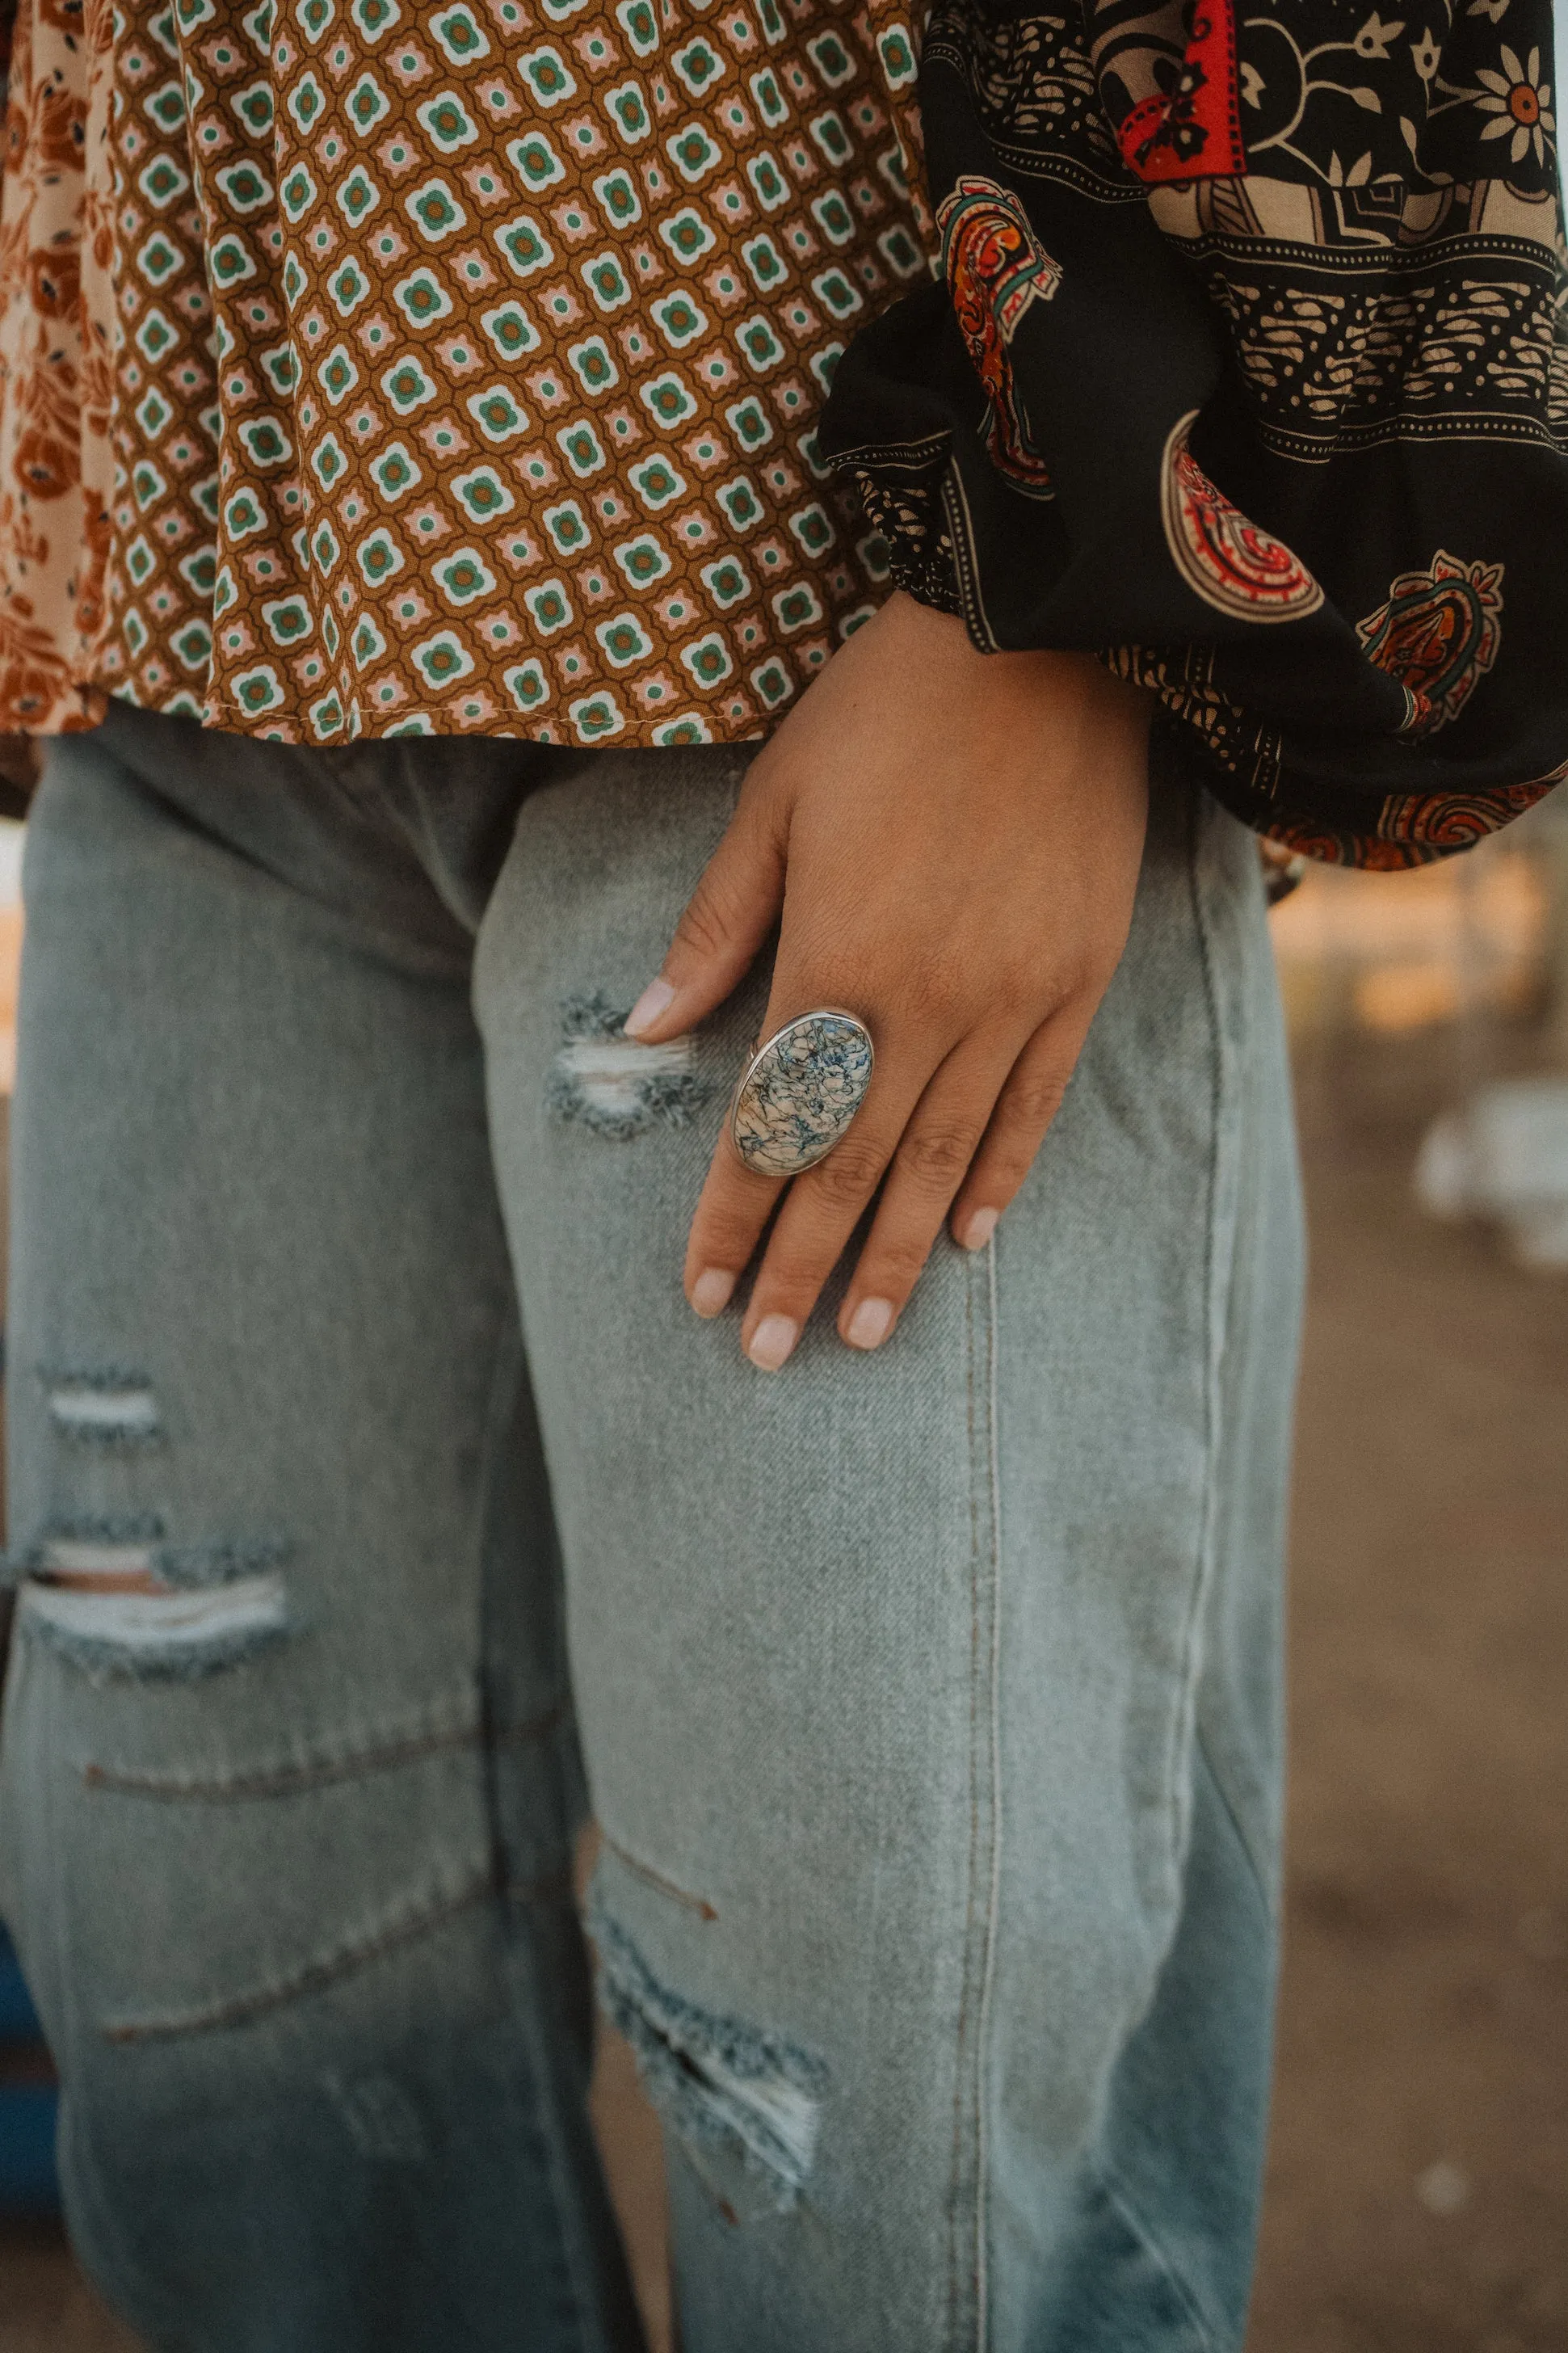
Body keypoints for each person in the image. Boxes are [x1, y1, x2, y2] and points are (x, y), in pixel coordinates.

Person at [0, 0, 1562, 2341]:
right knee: (224, 2063)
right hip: (179, 630)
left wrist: (1070, 569)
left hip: (826, 626)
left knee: (876, 2173)